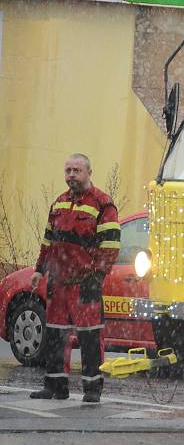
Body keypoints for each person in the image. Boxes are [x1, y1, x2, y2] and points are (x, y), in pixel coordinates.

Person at [29, 153, 120, 403]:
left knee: (90, 337)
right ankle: (55, 386)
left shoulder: (103, 204)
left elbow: (110, 246)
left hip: (84, 283)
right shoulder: (58, 203)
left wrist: (97, 276)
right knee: (55, 335)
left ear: (89, 172)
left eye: (77, 170)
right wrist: (39, 270)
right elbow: (48, 241)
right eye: (68, 170)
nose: (71, 175)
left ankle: (92, 389)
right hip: (57, 283)